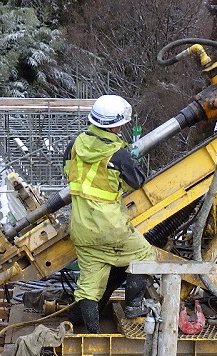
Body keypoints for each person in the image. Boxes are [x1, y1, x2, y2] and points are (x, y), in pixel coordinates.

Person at [63, 94, 154, 333]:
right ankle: (134, 307)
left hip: (81, 227)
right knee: (144, 255)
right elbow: (137, 182)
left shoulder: (74, 144)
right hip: (111, 228)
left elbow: (68, 172)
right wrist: (131, 162)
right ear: (116, 124)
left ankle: (92, 334)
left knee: (89, 286)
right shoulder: (118, 155)